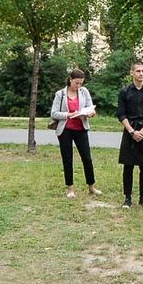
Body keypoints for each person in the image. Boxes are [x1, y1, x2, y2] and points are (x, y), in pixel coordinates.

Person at [50, 67, 100, 199]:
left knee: (87, 158)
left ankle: (91, 186)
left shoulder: (84, 92)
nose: (78, 85)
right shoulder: (60, 94)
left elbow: (91, 107)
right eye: (76, 83)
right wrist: (68, 115)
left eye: (81, 83)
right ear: (70, 80)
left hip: (81, 128)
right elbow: (54, 113)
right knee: (68, 159)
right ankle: (70, 188)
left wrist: (90, 113)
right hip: (65, 129)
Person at [117, 61, 143, 208]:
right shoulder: (124, 92)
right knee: (128, 166)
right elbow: (121, 114)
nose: (141, 74)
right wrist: (131, 131)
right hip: (130, 130)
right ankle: (127, 198)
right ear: (132, 73)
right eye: (138, 71)